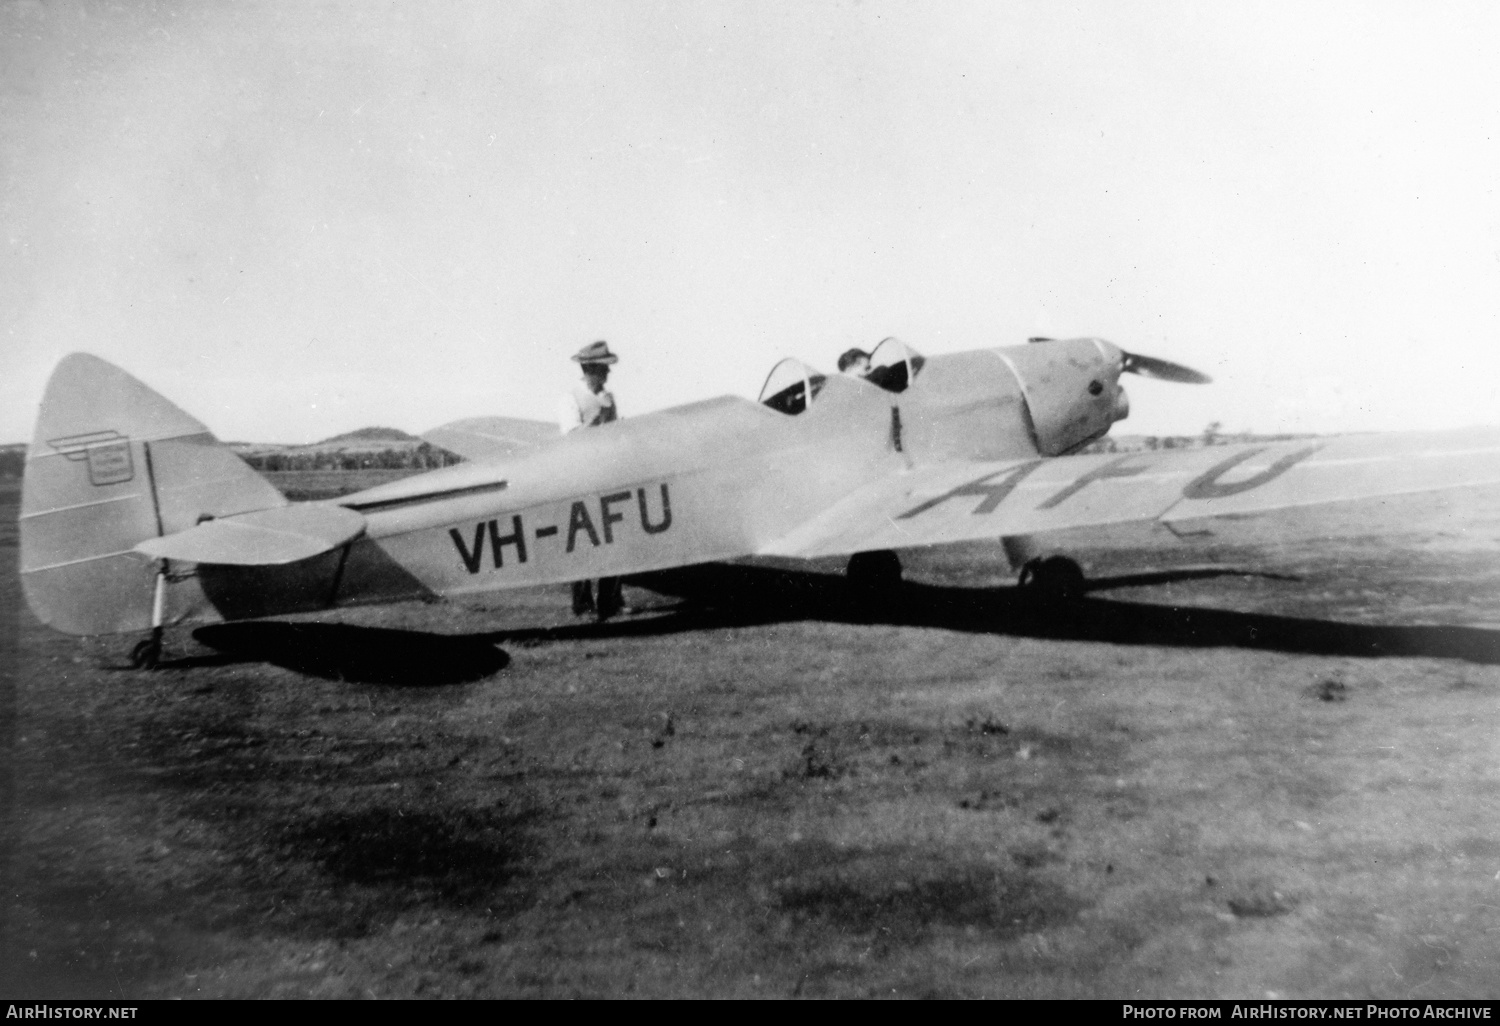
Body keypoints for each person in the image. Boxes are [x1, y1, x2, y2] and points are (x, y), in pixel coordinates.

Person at [558, 340, 624, 620]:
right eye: (602, 369)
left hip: (606, 478)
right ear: (589, 369)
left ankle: (610, 603)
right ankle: (583, 605)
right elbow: (575, 440)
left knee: (614, 539)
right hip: (582, 480)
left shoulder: (608, 397)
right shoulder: (569, 399)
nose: (607, 375)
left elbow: (613, 436)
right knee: (584, 543)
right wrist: (600, 412)